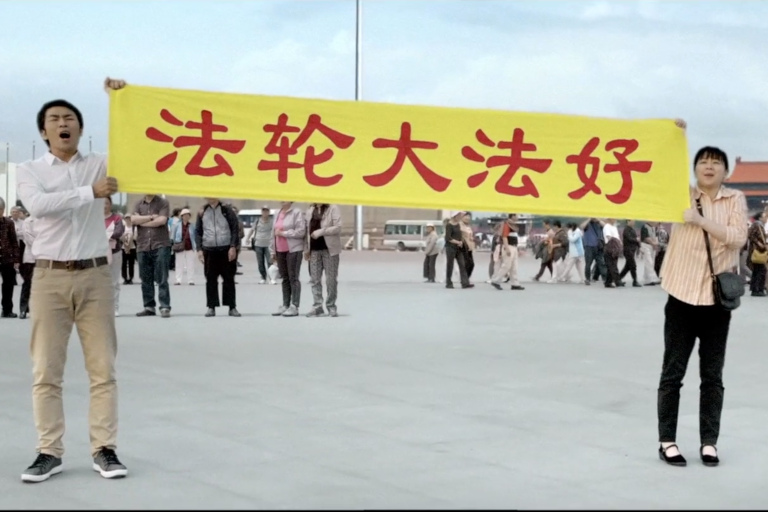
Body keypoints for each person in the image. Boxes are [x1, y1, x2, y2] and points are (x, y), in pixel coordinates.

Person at [15, 78, 129, 483]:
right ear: (44, 131)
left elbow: (136, 146)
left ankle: (105, 448)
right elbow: (39, 206)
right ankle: (49, 451)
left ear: (80, 128)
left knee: (103, 369)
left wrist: (120, 100)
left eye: (70, 119)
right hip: (48, 277)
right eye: (54, 119)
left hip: (95, 275)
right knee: (46, 370)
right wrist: (89, 193)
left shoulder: (99, 163)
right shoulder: (29, 170)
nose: (63, 124)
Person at [657, 127, 748, 467]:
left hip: (715, 303)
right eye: (703, 161)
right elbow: (657, 171)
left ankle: (709, 442)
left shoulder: (734, 199)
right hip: (680, 296)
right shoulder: (680, 193)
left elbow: (737, 238)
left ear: (725, 171)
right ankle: (667, 441)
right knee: (672, 373)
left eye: (716, 162)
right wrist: (673, 136)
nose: (709, 166)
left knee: (713, 376)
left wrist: (700, 220)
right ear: (695, 168)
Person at [195, 198, 240, 317]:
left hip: (226, 248)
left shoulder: (227, 210)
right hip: (209, 249)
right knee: (210, 279)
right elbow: (198, 231)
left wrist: (233, 246)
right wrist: (199, 249)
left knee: (229, 279)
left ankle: (232, 307)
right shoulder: (202, 211)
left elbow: (235, 229)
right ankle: (211, 307)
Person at [132, 194, 172, 317]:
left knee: (162, 277)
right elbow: (133, 220)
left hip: (160, 244)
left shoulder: (163, 203)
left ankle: (164, 306)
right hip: (143, 245)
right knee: (145, 278)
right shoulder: (138, 204)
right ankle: (149, 306)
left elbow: (162, 221)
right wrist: (151, 217)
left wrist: (142, 221)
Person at [304, 203, 342, 317]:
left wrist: (321, 231)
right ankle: (317, 306)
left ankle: (331, 306)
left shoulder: (333, 208)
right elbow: (307, 231)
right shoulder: (310, 210)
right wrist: (306, 249)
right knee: (314, 279)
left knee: (330, 279)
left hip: (329, 250)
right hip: (314, 250)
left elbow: (338, 227)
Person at [270, 201, 306, 316]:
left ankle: (294, 306)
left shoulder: (297, 212)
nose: (282, 200)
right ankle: (285, 304)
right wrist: (272, 250)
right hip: (280, 249)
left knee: (293, 277)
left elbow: (301, 231)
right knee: (284, 278)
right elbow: (273, 233)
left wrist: (284, 233)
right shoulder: (277, 213)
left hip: (293, 249)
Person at [104, 196, 125, 316]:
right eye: (102, 203)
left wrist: (106, 236)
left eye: (106, 203)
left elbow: (119, 231)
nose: (104, 205)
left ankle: (115, 307)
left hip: (114, 251)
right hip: (99, 253)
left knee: (114, 281)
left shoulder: (117, 218)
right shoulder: (95, 218)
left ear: (110, 204)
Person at [0, 196, 21, 318]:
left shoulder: (9, 223)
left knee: (8, 285)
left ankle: (7, 310)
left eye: (1, 209)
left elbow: (14, 241)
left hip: (7, 258)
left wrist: (16, 259)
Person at [244, 206, 273, 284]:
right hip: (258, 244)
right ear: (261, 212)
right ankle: (263, 277)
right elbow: (252, 230)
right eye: (263, 211)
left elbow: (274, 231)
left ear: (269, 212)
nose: (265, 212)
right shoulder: (257, 221)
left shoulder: (271, 221)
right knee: (260, 262)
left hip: (268, 244)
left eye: (266, 211)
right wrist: (247, 238)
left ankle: (271, 277)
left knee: (270, 261)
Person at [444, 211, 472, 289]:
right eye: (459, 215)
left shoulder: (459, 224)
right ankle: (448, 282)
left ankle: (465, 282)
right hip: (450, 248)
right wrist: (457, 242)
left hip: (459, 248)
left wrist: (463, 241)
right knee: (450, 265)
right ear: (455, 216)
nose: (460, 217)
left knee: (462, 264)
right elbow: (448, 238)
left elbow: (462, 234)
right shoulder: (449, 225)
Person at [171, 208, 197, 285]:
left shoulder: (192, 225)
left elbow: (194, 236)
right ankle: (178, 280)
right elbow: (173, 236)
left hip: (190, 246)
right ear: (182, 216)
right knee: (179, 264)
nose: (186, 216)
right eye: (184, 215)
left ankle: (190, 280)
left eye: (188, 215)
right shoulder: (177, 225)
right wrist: (173, 244)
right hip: (180, 246)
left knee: (190, 264)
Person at [19, 215, 38, 319]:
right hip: (30, 257)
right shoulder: (27, 221)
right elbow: (27, 237)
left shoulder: (46, 219)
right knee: (28, 283)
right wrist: (43, 244)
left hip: (45, 257)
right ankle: (23, 309)